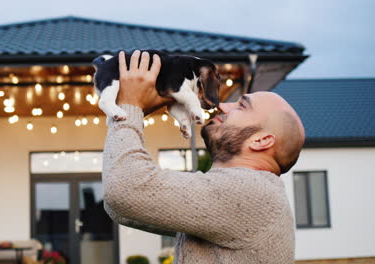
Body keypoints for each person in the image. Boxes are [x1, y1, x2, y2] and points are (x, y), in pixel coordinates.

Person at [102, 50, 305, 263]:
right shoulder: (248, 196)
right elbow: (121, 208)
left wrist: (130, 106)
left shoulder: (253, 191)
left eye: (241, 105)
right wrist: (132, 110)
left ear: (261, 140)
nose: (222, 105)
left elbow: (125, 189)